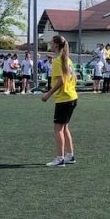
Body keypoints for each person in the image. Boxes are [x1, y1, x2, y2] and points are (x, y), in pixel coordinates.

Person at [40, 34, 78, 167]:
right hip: (71, 97)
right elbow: (74, 78)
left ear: (56, 45)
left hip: (64, 99)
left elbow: (61, 81)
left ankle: (60, 159)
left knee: (58, 129)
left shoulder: (57, 61)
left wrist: (47, 95)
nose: (50, 44)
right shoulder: (67, 59)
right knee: (65, 127)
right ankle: (70, 155)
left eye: (51, 42)